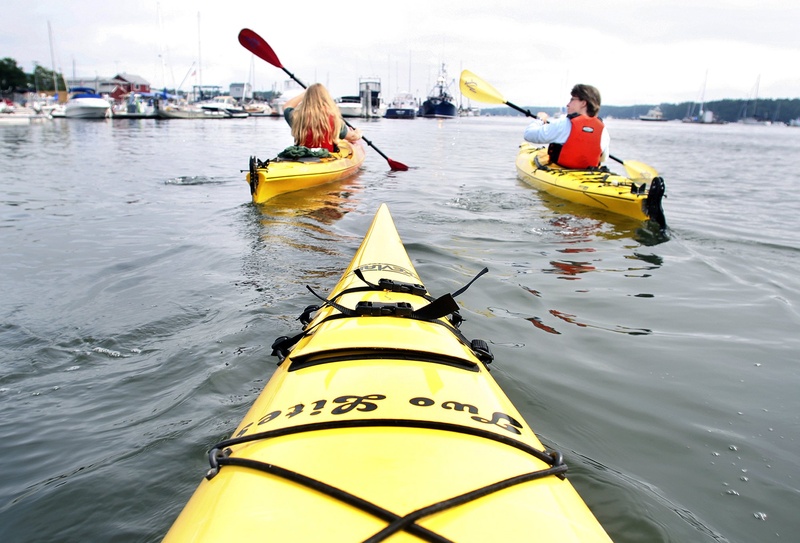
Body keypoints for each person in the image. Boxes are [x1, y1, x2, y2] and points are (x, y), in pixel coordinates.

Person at [523, 84, 609, 169]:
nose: (568, 104)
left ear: (583, 103)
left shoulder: (564, 123)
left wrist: (540, 120)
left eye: (572, 100)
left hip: (562, 172)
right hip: (588, 174)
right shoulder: (603, 130)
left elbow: (529, 135)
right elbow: (603, 158)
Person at [282, 83, 362, 153]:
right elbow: (351, 137)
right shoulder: (334, 118)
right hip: (326, 158)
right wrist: (358, 133)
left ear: (306, 97)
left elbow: (287, 106)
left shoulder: (297, 116)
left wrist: (305, 93)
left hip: (302, 156)